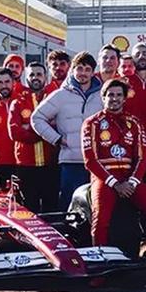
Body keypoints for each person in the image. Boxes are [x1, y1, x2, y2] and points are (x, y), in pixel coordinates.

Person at [81, 79, 146, 284]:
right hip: (105, 178)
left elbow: (143, 157)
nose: (114, 99)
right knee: (101, 218)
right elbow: (90, 160)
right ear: (103, 97)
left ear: (124, 98)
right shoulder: (91, 123)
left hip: (130, 179)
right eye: (110, 95)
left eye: (118, 95)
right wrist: (115, 183)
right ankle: (100, 270)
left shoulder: (134, 122)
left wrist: (133, 182)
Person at [31, 51, 103, 211]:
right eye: (79, 68)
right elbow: (37, 118)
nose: (83, 73)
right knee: (70, 205)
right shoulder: (61, 95)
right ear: (73, 70)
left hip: (97, 161)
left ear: (93, 72)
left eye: (87, 69)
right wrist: (57, 139)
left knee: (96, 205)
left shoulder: (101, 96)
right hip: (71, 161)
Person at [9, 63, 59, 213]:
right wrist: (44, 130)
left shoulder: (54, 101)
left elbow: (59, 127)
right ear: (26, 78)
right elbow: (14, 132)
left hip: (50, 164)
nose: (35, 78)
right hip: (26, 166)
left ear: (46, 77)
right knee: (29, 209)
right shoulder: (17, 103)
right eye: (31, 75)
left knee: (52, 208)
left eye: (39, 74)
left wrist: (28, 127)